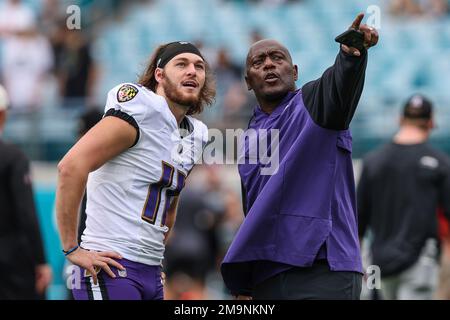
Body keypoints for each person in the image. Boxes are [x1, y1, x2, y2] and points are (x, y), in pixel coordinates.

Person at [221, 13, 379, 300]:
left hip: (322, 269)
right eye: (259, 62)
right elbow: (255, 212)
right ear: (247, 81)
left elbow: (340, 84)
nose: (269, 64)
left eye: (277, 58)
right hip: (267, 276)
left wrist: (351, 54)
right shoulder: (248, 138)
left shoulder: (314, 103)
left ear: (294, 72)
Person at [56, 41, 214, 300]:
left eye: (199, 66)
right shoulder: (141, 108)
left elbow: (170, 205)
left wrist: (152, 257)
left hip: (150, 271)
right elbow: (70, 166)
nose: (192, 71)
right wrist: (72, 249)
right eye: (182, 64)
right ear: (159, 75)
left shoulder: (197, 134)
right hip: (111, 264)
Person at [357, 94, 450, 300]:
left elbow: (358, 222)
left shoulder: (373, 161)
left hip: (377, 264)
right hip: (421, 262)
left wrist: (356, 263)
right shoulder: (439, 163)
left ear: (400, 119)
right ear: (431, 122)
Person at [0, 84, 52, 299]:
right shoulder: (12, 157)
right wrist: (41, 261)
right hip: (10, 263)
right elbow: (26, 214)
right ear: (3, 114)